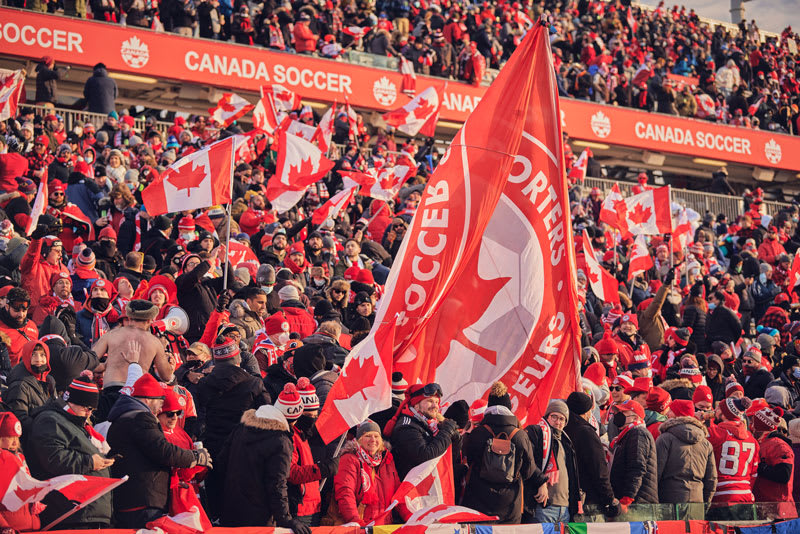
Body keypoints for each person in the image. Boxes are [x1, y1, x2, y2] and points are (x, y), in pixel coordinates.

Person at [107, 374, 212, 528]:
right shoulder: (140, 418)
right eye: (161, 401)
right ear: (148, 399)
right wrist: (195, 457)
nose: (161, 407)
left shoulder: (122, 419)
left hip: (131, 498)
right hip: (143, 500)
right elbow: (164, 451)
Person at [26, 373, 114, 529]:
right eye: (87, 408)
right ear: (72, 401)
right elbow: (53, 458)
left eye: (92, 409)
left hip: (87, 512)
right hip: (71, 514)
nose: (89, 413)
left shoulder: (76, 424)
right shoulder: (50, 420)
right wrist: (90, 462)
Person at [218, 404, 308, 533]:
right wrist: (286, 520)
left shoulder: (241, 428)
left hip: (231, 511)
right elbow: (277, 485)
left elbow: (222, 462)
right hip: (259, 519)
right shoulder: (281, 442)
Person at [461, 382, 541, 524]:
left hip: (478, 500)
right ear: (509, 408)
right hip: (511, 505)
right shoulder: (520, 435)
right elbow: (528, 471)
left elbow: (470, 459)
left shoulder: (478, 433)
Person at [91, 300, 174, 422]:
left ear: (129, 317)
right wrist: (167, 357)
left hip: (111, 391)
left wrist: (104, 366)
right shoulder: (155, 342)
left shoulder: (112, 335)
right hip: (138, 396)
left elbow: (89, 362)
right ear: (150, 320)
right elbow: (166, 376)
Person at [332, 419, 404, 526]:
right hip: (362, 526)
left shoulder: (387, 460)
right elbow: (345, 493)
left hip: (383, 526)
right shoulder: (349, 459)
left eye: (376, 436)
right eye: (367, 436)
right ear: (359, 440)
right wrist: (357, 523)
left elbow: (399, 493)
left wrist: (413, 518)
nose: (373, 440)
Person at [386, 383, 459, 480]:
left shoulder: (432, 424)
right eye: (430, 401)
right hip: (409, 488)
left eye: (437, 402)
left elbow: (451, 457)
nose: (435, 406)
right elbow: (425, 455)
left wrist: (456, 439)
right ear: (416, 405)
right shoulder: (406, 426)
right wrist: (447, 432)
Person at [654, 400, 717, 514]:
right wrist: (705, 504)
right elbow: (711, 479)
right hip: (697, 502)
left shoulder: (665, 438)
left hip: (668, 502)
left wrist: (654, 504)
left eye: (671, 411)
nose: (667, 414)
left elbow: (655, 473)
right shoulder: (705, 443)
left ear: (678, 414)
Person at [564, 392, 619, 517]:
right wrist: (609, 499)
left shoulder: (563, 429)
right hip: (590, 500)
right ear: (586, 411)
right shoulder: (586, 432)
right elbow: (599, 468)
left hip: (568, 498)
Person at [524, 399, 579, 523]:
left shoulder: (566, 442)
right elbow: (527, 461)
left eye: (562, 419)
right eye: (554, 416)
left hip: (564, 508)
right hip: (543, 507)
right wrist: (540, 482)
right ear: (547, 416)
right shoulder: (536, 433)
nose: (557, 422)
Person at [707, 397, 759, 517]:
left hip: (721, 497)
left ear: (725, 413)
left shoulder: (715, 433)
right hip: (746, 496)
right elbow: (754, 474)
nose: (715, 410)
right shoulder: (751, 439)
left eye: (719, 408)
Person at [609, 399, 659, 507]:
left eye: (623, 413)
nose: (618, 416)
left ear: (635, 418)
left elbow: (637, 467)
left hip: (638, 502)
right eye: (618, 413)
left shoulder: (638, 433)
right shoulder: (626, 435)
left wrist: (627, 498)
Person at [0, 412, 43, 531]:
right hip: (10, 527)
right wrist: (4, 527)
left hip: (30, 525)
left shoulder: (20, 458)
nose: (15, 443)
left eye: (17, 438)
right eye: (10, 437)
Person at [5, 339, 56, 430]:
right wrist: (45, 430)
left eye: (42, 355)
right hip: (34, 437)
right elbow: (20, 419)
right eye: (33, 355)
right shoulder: (20, 385)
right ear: (26, 357)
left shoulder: (49, 380)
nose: (38, 359)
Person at [0, 287, 39, 368]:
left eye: (24, 311)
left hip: (28, 374)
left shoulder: (32, 326)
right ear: (7, 307)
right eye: (16, 310)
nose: (21, 315)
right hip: (7, 375)